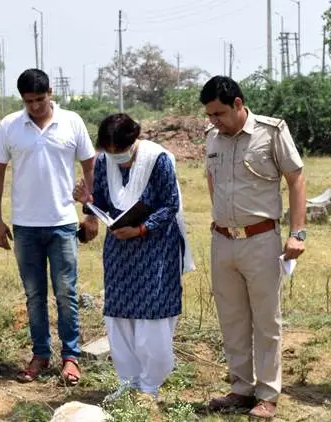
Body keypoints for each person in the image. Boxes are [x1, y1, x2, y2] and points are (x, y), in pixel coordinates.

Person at [201, 76, 306, 419]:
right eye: (209, 115)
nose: (213, 120)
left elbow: (296, 179)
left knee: (265, 320)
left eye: (218, 113)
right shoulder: (212, 139)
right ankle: (241, 388)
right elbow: (211, 181)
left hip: (261, 240)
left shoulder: (271, 132)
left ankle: (268, 393)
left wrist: (298, 233)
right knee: (231, 318)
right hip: (223, 241)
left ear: (237, 104)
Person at [72, 113, 194, 401]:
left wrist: (141, 229)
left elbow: (170, 205)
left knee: (152, 313)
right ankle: (128, 382)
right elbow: (102, 201)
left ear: (134, 140)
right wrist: (87, 202)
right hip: (120, 251)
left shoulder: (158, 160)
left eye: (121, 152)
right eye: (110, 152)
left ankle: (150, 385)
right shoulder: (103, 163)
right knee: (120, 314)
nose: (117, 158)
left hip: (155, 250)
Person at [0, 68, 96, 385]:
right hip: (25, 227)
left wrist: (90, 214)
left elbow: (91, 167)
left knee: (66, 293)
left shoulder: (72, 122)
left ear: (51, 92)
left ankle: (71, 358)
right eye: (28, 101)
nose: (35, 106)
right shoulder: (10, 125)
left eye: (40, 98)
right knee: (34, 295)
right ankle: (40, 355)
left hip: (63, 224)